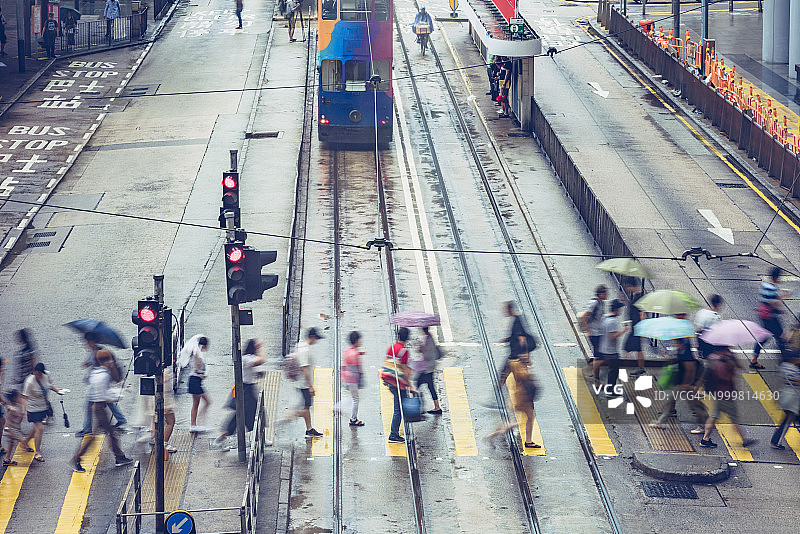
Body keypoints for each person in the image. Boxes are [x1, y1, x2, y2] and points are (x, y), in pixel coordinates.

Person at [72, 351, 133, 472]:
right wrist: (116, 396)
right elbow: (103, 395)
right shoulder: (104, 375)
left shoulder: (96, 372)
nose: (111, 362)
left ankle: (119, 456)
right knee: (96, 437)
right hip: (100, 409)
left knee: (109, 433)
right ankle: (77, 459)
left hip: (98, 408)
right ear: (105, 361)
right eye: (109, 360)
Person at [700, 347, 755, 448]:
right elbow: (738, 368)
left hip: (717, 392)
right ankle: (744, 440)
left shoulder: (713, 358)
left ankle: (705, 438)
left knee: (714, 416)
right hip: (726, 394)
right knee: (734, 418)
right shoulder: (727, 359)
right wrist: (733, 359)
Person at [650, 338, 707, 433]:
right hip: (681, 383)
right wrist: (666, 355)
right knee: (670, 400)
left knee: (694, 406)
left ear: (681, 344)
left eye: (676, 342)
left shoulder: (687, 355)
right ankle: (661, 422)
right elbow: (676, 360)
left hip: (687, 385)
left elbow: (690, 371)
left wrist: (687, 384)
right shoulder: (681, 351)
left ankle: (703, 425)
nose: (674, 343)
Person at [215, 338, 265, 444]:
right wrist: (260, 347)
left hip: (246, 390)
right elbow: (261, 360)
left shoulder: (246, 358)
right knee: (248, 415)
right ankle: (258, 438)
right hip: (246, 391)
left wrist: (257, 373)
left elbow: (249, 371)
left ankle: (259, 438)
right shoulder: (247, 358)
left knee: (247, 415)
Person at [78, 333, 126, 436]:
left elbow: (94, 363)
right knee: (108, 401)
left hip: (99, 382)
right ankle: (121, 418)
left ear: (91, 342)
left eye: (87, 342)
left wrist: (88, 363)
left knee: (88, 404)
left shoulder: (99, 352)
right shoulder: (95, 351)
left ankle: (87, 428)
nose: (86, 344)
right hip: (101, 381)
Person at [283, 328, 324, 437]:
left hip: (299, 382)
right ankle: (292, 414)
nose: (316, 341)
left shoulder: (299, 345)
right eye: (316, 338)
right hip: (303, 383)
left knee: (306, 406)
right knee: (306, 408)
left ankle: (309, 429)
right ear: (312, 337)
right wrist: (310, 386)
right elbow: (304, 369)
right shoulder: (305, 350)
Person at [22, 363, 65, 462]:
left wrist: (56, 390)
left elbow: (48, 385)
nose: (37, 376)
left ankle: (26, 441)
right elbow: (24, 397)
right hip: (33, 408)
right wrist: (24, 410)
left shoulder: (46, 376)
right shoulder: (29, 382)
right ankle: (37, 453)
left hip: (43, 406)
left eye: (39, 374)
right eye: (35, 374)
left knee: (36, 428)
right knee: (40, 428)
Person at [381, 328, 415, 444]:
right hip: (398, 383)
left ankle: (399, 429)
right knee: (398, 409)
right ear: (407, 338)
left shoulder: (391, 347)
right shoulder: (404, 351)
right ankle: (393, 434)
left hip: (390, 381)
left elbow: (387, 363)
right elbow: (404, 370)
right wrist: (410, 385)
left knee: (400, 406)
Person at [592, 299, 630, 397]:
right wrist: (624, 330)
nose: (621, 311)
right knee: (613, 371)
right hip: (611, 350)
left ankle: (608, 388)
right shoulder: (612, 321)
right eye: (620, 309)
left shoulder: (604, 317)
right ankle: (610, 391)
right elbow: (612, 336)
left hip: (604, 347)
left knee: (611, 369)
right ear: (616, 309)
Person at [752, 267, 789, 367]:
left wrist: (778, 299)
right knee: (781, 337)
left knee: (763, 337)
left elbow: (766, 299)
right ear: (776, 277)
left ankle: (754, 359)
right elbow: (771, 303)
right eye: (780, 277)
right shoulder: (771, 288)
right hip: (771, 318)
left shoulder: (765, 284)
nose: (780, 279)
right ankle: (786, 363)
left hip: (764, 315)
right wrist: (782, 297)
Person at [500, 301, 536, 383]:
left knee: (506, 374)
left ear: (510, 310)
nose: (505, 311)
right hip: (516, 355)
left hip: (516, 356)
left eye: (506, 309)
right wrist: (508, 339)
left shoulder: (517, 321)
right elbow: (518, 336)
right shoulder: (516, 319)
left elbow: (522, 339)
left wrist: (525, 356)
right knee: (508, 374)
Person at [771, 354, 800, 450]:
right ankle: (776, 442)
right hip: (792, 400)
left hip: (787, 397)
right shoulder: (794, 369)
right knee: (786, 421)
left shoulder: (784, 366)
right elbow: (797, 381)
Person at [622, 278, 646, 375]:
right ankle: (640, 368)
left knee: (626, 347)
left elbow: (642, 313)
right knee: (638, 349)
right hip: (635, 327)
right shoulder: (637, 296)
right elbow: (635, 307)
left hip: (637, 328)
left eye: (627, 286)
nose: (627, 289)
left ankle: (624, 369)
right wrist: (627, 301)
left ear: (631, 286)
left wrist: (641, 327)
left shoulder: (640, 297)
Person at [416, 327, 442, 415]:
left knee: (417, 385)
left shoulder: (429, 340)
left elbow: (429, 355)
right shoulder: (428, 337)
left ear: (424, 330)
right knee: (430, 387)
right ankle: (436, 407)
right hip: (429, 367)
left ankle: (419, 407)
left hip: (427, 368)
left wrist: (421, 349)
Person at [579, 285, 608, 362]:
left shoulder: (601, 303)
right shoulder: (594, 303)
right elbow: (583, 316)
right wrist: (588, 331)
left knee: (600, 353)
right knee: (598, 354)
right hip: (594, 332)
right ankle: (593, 370)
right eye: (605, 294)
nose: (607, 295)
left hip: (599, 332)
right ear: (600, 294)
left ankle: (594, 368)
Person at [342, 331, 365, 427]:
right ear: (356, 341)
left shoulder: (349, 350)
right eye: (359, 340)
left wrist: (359, 352)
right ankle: (353, 419)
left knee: (354, 397)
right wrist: (360, 380)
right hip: (352, 379)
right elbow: (358, 368)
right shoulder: (354, 354)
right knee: (356, 399)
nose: (360, 341)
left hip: (347, 378)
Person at [188, 336, 211, 432]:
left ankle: (194, 425)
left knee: (196, 404)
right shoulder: (198, 354)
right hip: (195, 381)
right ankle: (198, 423)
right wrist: (203, 374)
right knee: (207, 402)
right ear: (204, 345)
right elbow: (197, 368)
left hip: (195, 381)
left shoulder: (196, 352)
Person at [694, 294, 723, 358]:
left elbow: (698, 328)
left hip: (700, 340)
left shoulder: (701, 312)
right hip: (709, 344)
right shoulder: (716, 317)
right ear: (718, 304)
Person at [11, 329, 38, 394]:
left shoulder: (29, 350)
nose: (16, 339)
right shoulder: (22, 351)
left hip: (27, 381)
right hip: (22, 382)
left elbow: (33, 365)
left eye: (18, 337)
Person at [2, 391, 24, 466]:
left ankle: (7, 459)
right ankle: (27, 447)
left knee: (11, 444)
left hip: (13, 429)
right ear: (14, 398)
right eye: (18, 397)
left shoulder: (13, 406)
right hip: (12, 430)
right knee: (23, 441)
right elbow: (11, 419)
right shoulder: (12, 409)